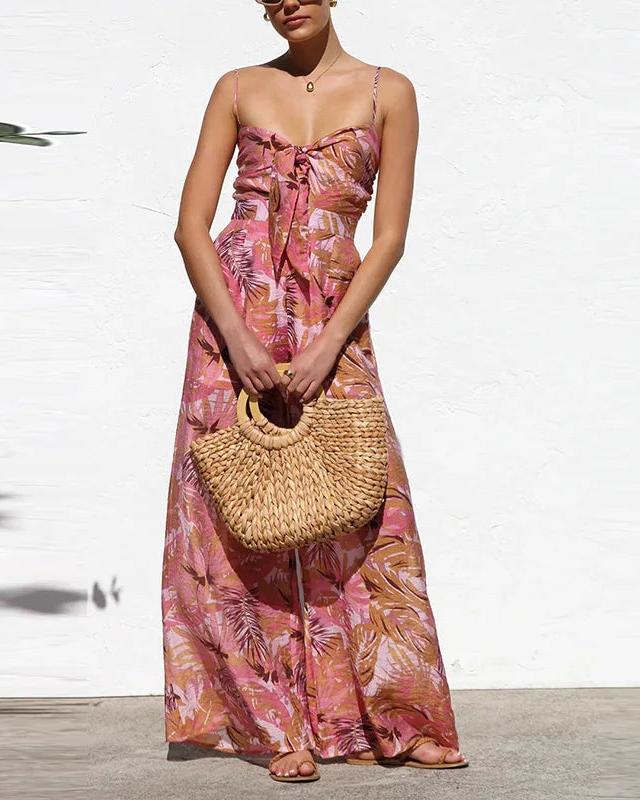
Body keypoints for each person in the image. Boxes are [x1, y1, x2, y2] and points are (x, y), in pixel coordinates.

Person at [161, 0, 468, 783]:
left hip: (334, 316)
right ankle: (276, 729)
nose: (284, 1)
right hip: (237, 316)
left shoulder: (386, 91)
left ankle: (403, 717)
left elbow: (389, 235)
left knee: (370, 512)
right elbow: (191, 226)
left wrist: (331, 343)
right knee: (242, 520)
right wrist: (235, 336)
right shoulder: (235, 87)